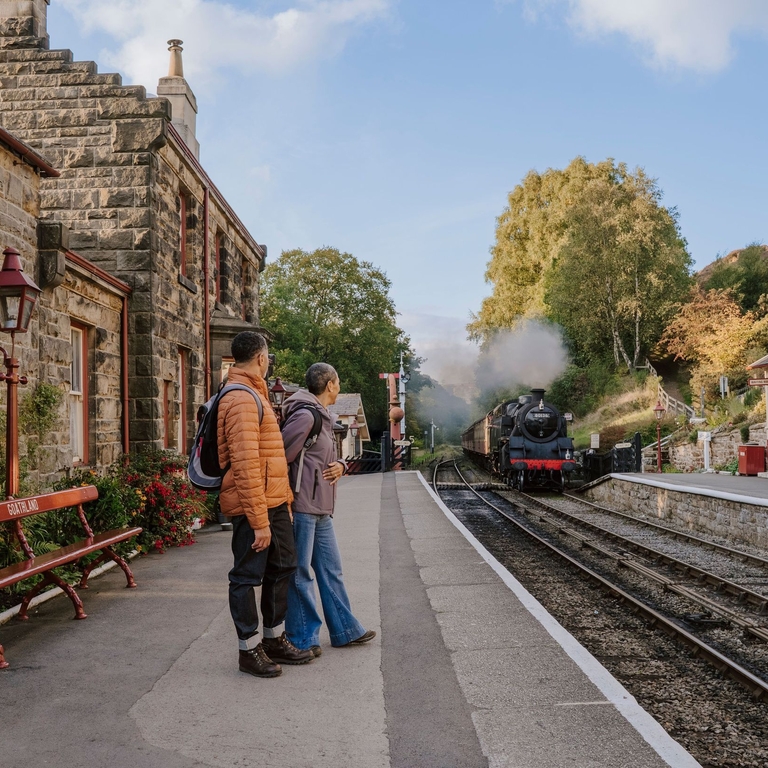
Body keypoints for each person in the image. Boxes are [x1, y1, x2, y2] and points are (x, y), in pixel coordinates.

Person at [217, 331, 314, 677]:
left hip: (273, 501)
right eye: (269, 356)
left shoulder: (256, 393)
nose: (269, 361)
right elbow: (245, 465)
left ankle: (274, 639)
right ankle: (249, 649)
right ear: (261, 358)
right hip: (251, 506)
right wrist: (259, 521)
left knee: (283, 565)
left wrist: (283, 503)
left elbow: (271, 459)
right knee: (246, 577)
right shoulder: (241, 399)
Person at [281, 362, 376, 655]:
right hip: (303, 506)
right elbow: (281, 454)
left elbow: (326, 458)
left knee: (331, 570)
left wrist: (341, 465)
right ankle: (302, 638)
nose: (339, 385)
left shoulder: (322, 416)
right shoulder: (305, 415)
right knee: (301, 572)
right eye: (338, 381)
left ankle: (345, 630)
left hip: (321, 506)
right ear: (331, 384)